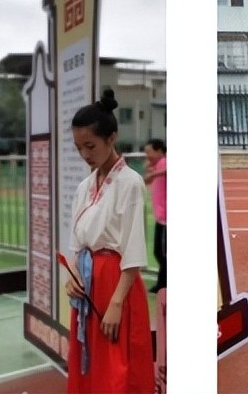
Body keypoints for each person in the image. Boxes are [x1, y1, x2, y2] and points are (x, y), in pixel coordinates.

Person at [63, 90, 152, 393]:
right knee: (89, 357)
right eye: (79, 148)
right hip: (88, 281)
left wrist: (116, 304)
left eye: (91, 145)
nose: (86, 154)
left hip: (116, 282)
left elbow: (133, 251)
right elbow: (76, 243)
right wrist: (73, 275)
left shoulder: (130, 183)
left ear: (111, 138)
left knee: (116, 363)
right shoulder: (85, 185)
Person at [142, 139, 167, 293]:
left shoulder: (164, 162)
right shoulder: (157, 165)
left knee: (163, 253)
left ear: (159, 151)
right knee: (158, 252)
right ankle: (163, 282)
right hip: (161, 218)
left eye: (149, 152)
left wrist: (153, 173)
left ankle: (162, 284)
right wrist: (150, 168)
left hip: (167, 218)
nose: (147, 155)